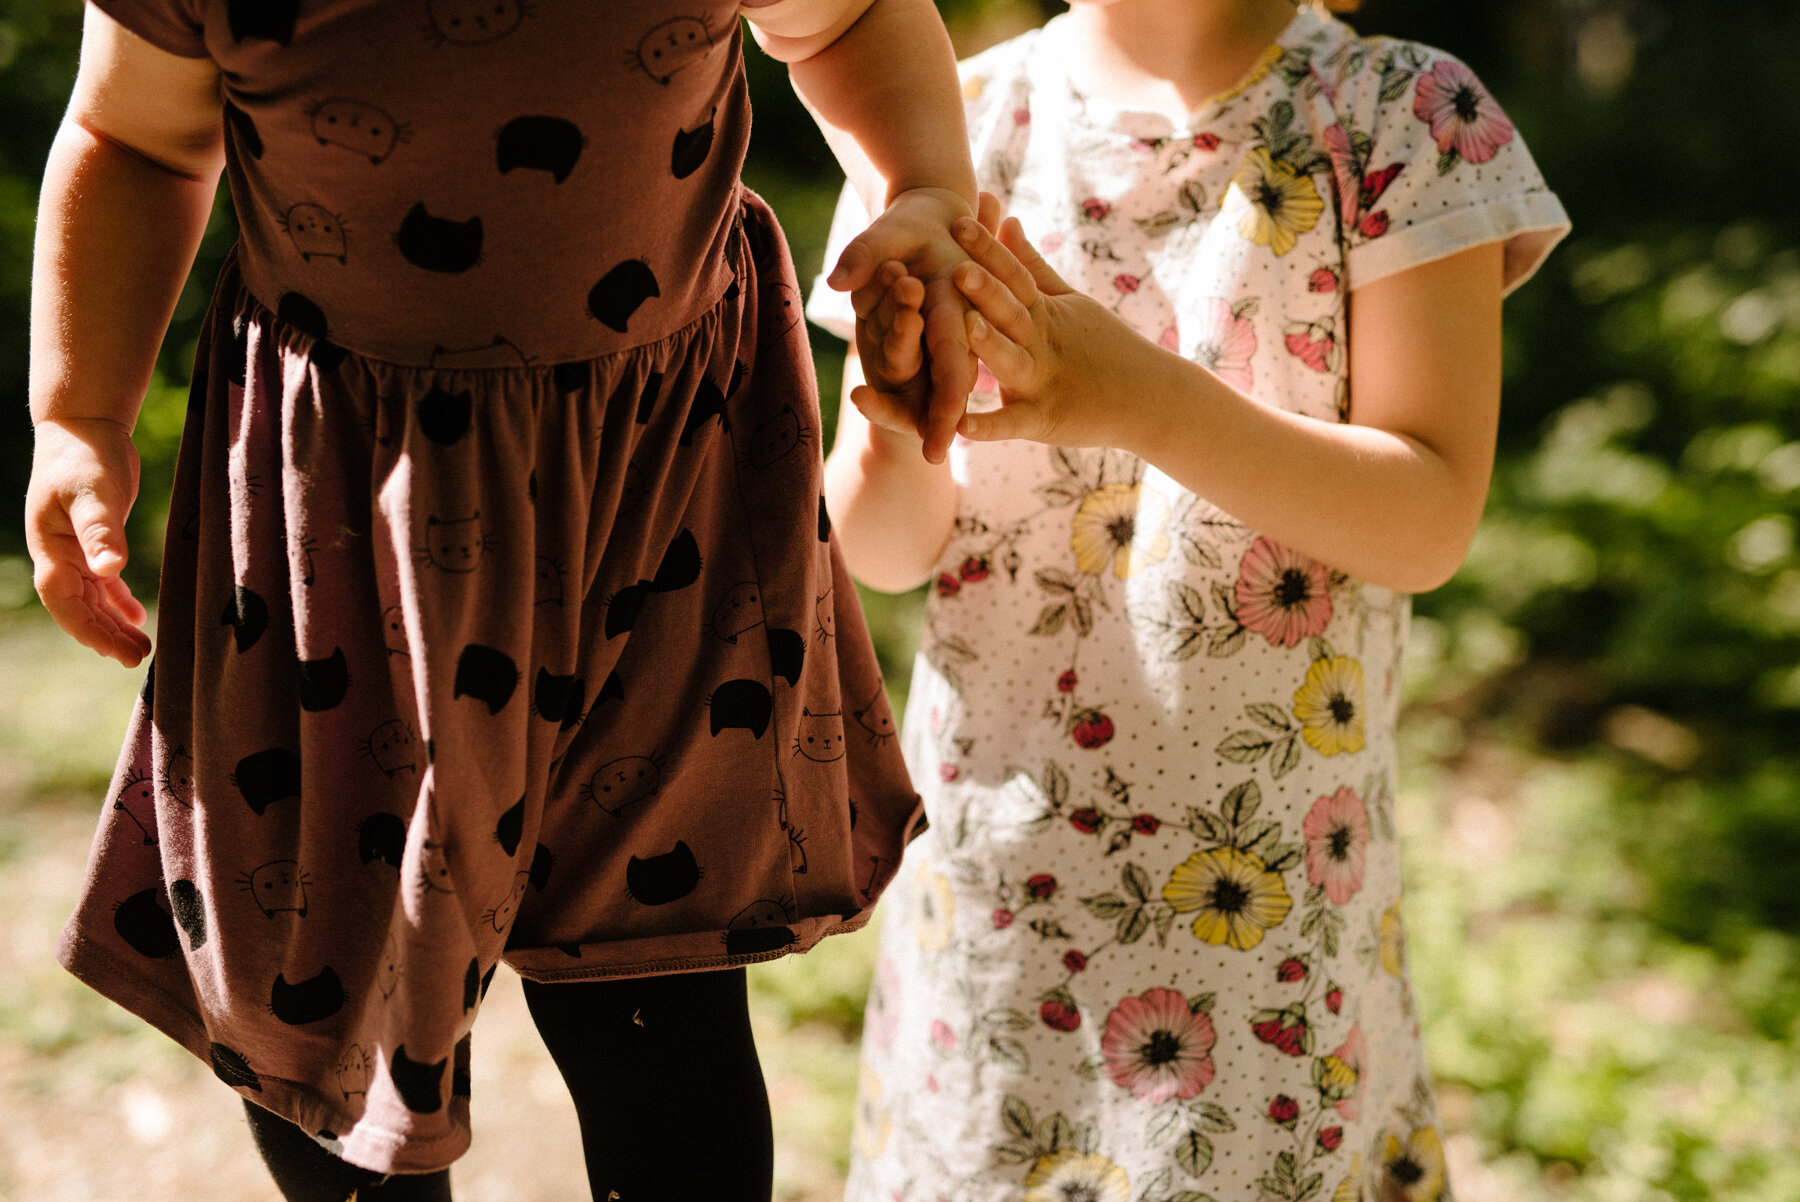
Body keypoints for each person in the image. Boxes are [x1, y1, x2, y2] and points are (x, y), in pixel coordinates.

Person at [24, 0, 978, 1197]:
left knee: (658, 986)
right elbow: (139, 140)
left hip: (661, 484)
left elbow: (848, 20)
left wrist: (923, 183)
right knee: (321, 985)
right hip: (351, 518)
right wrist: (79, 416)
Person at [807, 0, 1569, 1198]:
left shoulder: (1403, 114)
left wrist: (1142, 400)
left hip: (1265, 926)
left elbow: (1429, 518)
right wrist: (898, 426)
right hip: (1001, 892)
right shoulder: (941, 124)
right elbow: (882, 546)